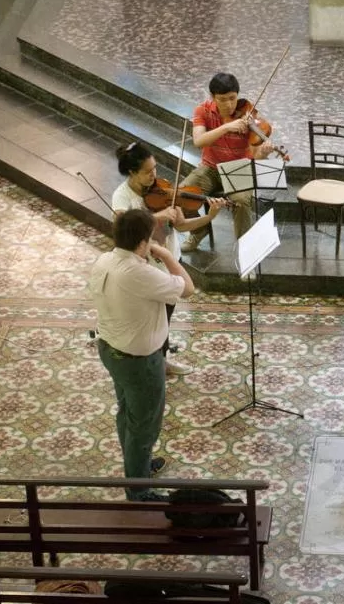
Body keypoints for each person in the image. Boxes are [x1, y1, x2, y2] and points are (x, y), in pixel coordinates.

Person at [90, 209, 194, 501]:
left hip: (110, 350)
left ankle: (138, 468)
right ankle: (139, 491)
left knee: (127, 413)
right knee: (144, 424)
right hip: (140, 363)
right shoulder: (139, 273)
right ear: (142, 242)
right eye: (150, 238)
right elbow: (188, 288)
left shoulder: (104, 260)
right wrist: (165, 254)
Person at [112, 141, 227, 375]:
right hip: (146, 269)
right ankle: (155, 363)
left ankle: (161, 360)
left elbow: (182, 226)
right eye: (147, 171)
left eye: (155, 168)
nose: (154, 175)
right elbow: (126, 233)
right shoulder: (121, 198)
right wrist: (157, 216)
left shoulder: (162, 190)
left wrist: (210, 216)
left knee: (166, 317)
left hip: (171, 261)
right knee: (152, 321)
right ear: (132, 173)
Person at [180, 72, 277, 251]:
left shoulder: (248, 117)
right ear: (212, 97)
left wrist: (263, 153)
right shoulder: (202, 111)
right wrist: (226, 127)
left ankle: (246, 251)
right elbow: (199, 141)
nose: (229, 104)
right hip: (210, 168)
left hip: (239, 169)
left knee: (240, 202)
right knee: (182, 195)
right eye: (222, 99)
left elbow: (255, 157)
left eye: (233, 98)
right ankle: (198, 231)